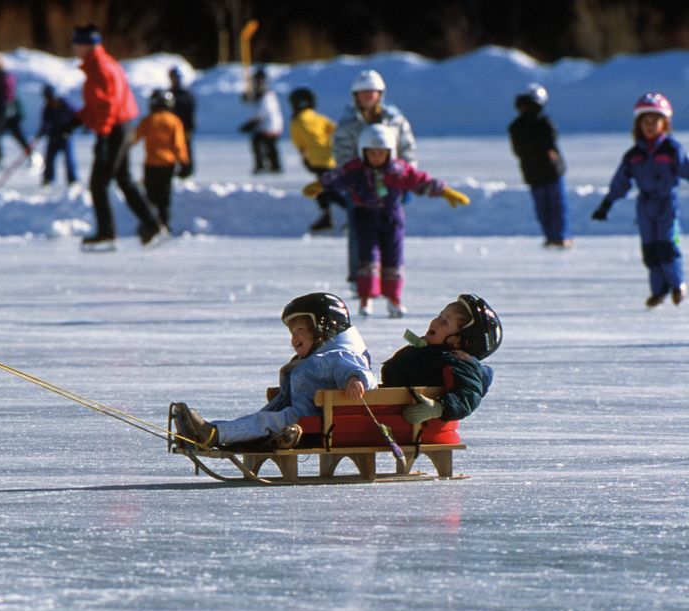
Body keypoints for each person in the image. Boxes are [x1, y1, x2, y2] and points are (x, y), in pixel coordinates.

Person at [305, 124, 470, 318]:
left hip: (391, 218)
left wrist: (444, 191)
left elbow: (419, 180)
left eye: (381, 153)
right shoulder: (355, 169)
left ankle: (394, 299)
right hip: (364, 217)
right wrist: (320, 184)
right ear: (363, 152)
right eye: (372, 153)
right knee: (368, 257)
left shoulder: (398, 169)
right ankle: (366, 298)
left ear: (389, 152)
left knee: (394, 258)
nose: (376, 157)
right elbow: (337, 176)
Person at [172, 293, 377, 448]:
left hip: (310, 424)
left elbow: (357, 369)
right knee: (262, 420)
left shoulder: (339, 354)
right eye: (292, 332)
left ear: (324, 327)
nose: (294, 338)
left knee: (265, 422)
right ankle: (213, 434)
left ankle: (211, 434)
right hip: (304, 419)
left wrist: (354, 379)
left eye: (300, 330)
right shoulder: (320, 357)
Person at [69, 24, 165, 251]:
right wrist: (77, 119)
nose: (73, 47)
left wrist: (102, 135)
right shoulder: (102, 63)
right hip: (121, 126)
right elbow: (97, 103)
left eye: (76, 42)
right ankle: (151, 223)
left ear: (85, 44)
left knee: (98, 183)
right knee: (123, 178)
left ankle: (107, 232)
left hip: (114, 128)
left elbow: (107, 105)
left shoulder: (99, 67)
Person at [592, 92, 689, 307]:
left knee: (666, 246)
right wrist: (606, 204)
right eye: (646, 121)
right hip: (645, 206)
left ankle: (677, 285)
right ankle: (658, 291)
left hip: (666, 204)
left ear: (665, 123)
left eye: (656, 121)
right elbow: (621, 181)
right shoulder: (634, 154)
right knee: (650, 250)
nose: (650, 126)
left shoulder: (672, 149)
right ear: (639, 124)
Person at [334, 69, 418, 289]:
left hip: (391, 182)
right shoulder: (348, 123)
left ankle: (390, 279)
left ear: (380, 94)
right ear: (356, 96)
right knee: (358, 232)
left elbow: (407, 148)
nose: (368, 97)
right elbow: (342, 153)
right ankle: (358, 277)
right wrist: (351, 177)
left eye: (372, 92)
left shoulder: (395, 119)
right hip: (361, 184)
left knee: (392, 232)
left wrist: (407, 176)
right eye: (363, 93)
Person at [381, 294, 501, 423]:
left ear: (460, 341)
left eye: (445, 322)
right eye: (439, 316)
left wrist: (437, 408)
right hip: (393, 421)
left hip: (425, 432)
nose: (435, 322)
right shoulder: (424, 351)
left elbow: (468, 393)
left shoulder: (458, 362)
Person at [509, 83, 570, 248]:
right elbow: (550, 142)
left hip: (536, 173)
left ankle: (553, 236)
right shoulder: (543, 123)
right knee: (555, 206)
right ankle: (558, 236)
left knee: (545, 207)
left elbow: (518, 151)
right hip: (549, 172)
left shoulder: (516, 127)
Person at [288, 87, 346, 233]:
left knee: (327, 189)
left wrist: (305, 158)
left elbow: (300, 144)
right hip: (331, 157)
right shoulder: (318, 117)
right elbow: (336, 129)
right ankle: (327, 216)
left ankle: (350, 211)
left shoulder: (296, 122)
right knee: (323, 187)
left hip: (316, 160)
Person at [133, 89, 190, 234]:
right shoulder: (174, 121)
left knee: (150, 196)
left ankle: (150, 224)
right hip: (168, 164)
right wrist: (184, 162)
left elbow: (134, 138)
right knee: (164, 197)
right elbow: (178, 145)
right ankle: (164, 224)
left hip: (150, 163)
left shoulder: (148, 120)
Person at [0, 49, 34, 170]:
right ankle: (0, 160)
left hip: (9, 112)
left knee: (19, 135)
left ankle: (33, 156)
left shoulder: (4, 75)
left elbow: (9, 92)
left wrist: (8, 105)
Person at [239, 67, 283, 174]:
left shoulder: (267, 96)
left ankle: (269, 166)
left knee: (265, 145)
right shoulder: (261, 94)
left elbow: (262, 112)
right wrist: (247, 98)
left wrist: (251, 123)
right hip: (266, 125)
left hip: (269, 126)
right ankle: (269, 165)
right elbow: (253, 104)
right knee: (266, 145)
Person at [36, 84, 78, 187]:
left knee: (69, 159)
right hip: (53, 137)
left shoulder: (65, 105)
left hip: (65, 137)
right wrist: (42, 132)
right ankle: (48, 179)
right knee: (49, 159)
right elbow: (46, 123)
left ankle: (72, 180)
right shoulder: (48, 108)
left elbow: (76, 117)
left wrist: (69, 129)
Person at [168, 66, 196, 178]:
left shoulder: (186, 95)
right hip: (170, 128)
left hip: (184, 128)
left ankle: (186, 172)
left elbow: (190, 113)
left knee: (185, 150)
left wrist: (190, 128)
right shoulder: (169, 94)